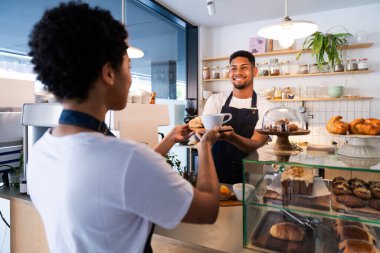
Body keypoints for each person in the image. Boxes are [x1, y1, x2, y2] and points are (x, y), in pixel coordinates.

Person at [27, 2, 220, 253]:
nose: (130, 79)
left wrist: (170, 139)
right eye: (129, 67)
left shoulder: (41, 152)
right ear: (108, 73)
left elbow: (117, 179)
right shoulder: (125, 159)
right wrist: (205, 146)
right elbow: (207, 209)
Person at [203, 50, 269, 184]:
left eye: (244, 68)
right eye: (233, 68)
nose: (238, 72)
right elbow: (205, 135)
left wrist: (232, 137)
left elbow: (256, 143)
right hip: (216, 170)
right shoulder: (215, 100)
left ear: (255, 71)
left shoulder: (265, 106)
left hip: (249, 174)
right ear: (229, 72)